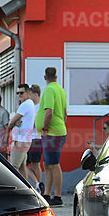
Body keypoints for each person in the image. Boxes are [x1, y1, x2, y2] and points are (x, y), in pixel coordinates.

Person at [34, 67, 67, 206]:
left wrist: (45, 128)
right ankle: (47, 194)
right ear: (56, 76)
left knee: (54, 165)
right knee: (47, 164)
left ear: (44, 77)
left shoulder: (49, 90)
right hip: (58, 131)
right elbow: (65, 113)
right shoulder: (61, 90)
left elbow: (49, 112)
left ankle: (58, 196)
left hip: (52, 133)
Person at [6, 83, 35, 181]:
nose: (19, 95)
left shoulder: (25, 104)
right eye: (17, 93)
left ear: (28, 93)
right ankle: (25, 188)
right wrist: (14, 123)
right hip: (25, 140)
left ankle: (17, 188)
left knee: (14, 167)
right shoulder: (30, 104)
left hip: (20, 140)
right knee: (22, 166)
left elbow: (11, 122)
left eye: (21, 93)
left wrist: (12, 124)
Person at [26, 84, 44, 193]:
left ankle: (38, 186)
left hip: (36, 138)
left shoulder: (39, 108)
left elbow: (36, 124)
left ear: (35, 94)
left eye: (30, 94)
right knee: (24, 163)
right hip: (28, 138)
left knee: (35, 163)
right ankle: (37, 184)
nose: (29, 96)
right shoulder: (31, 106)